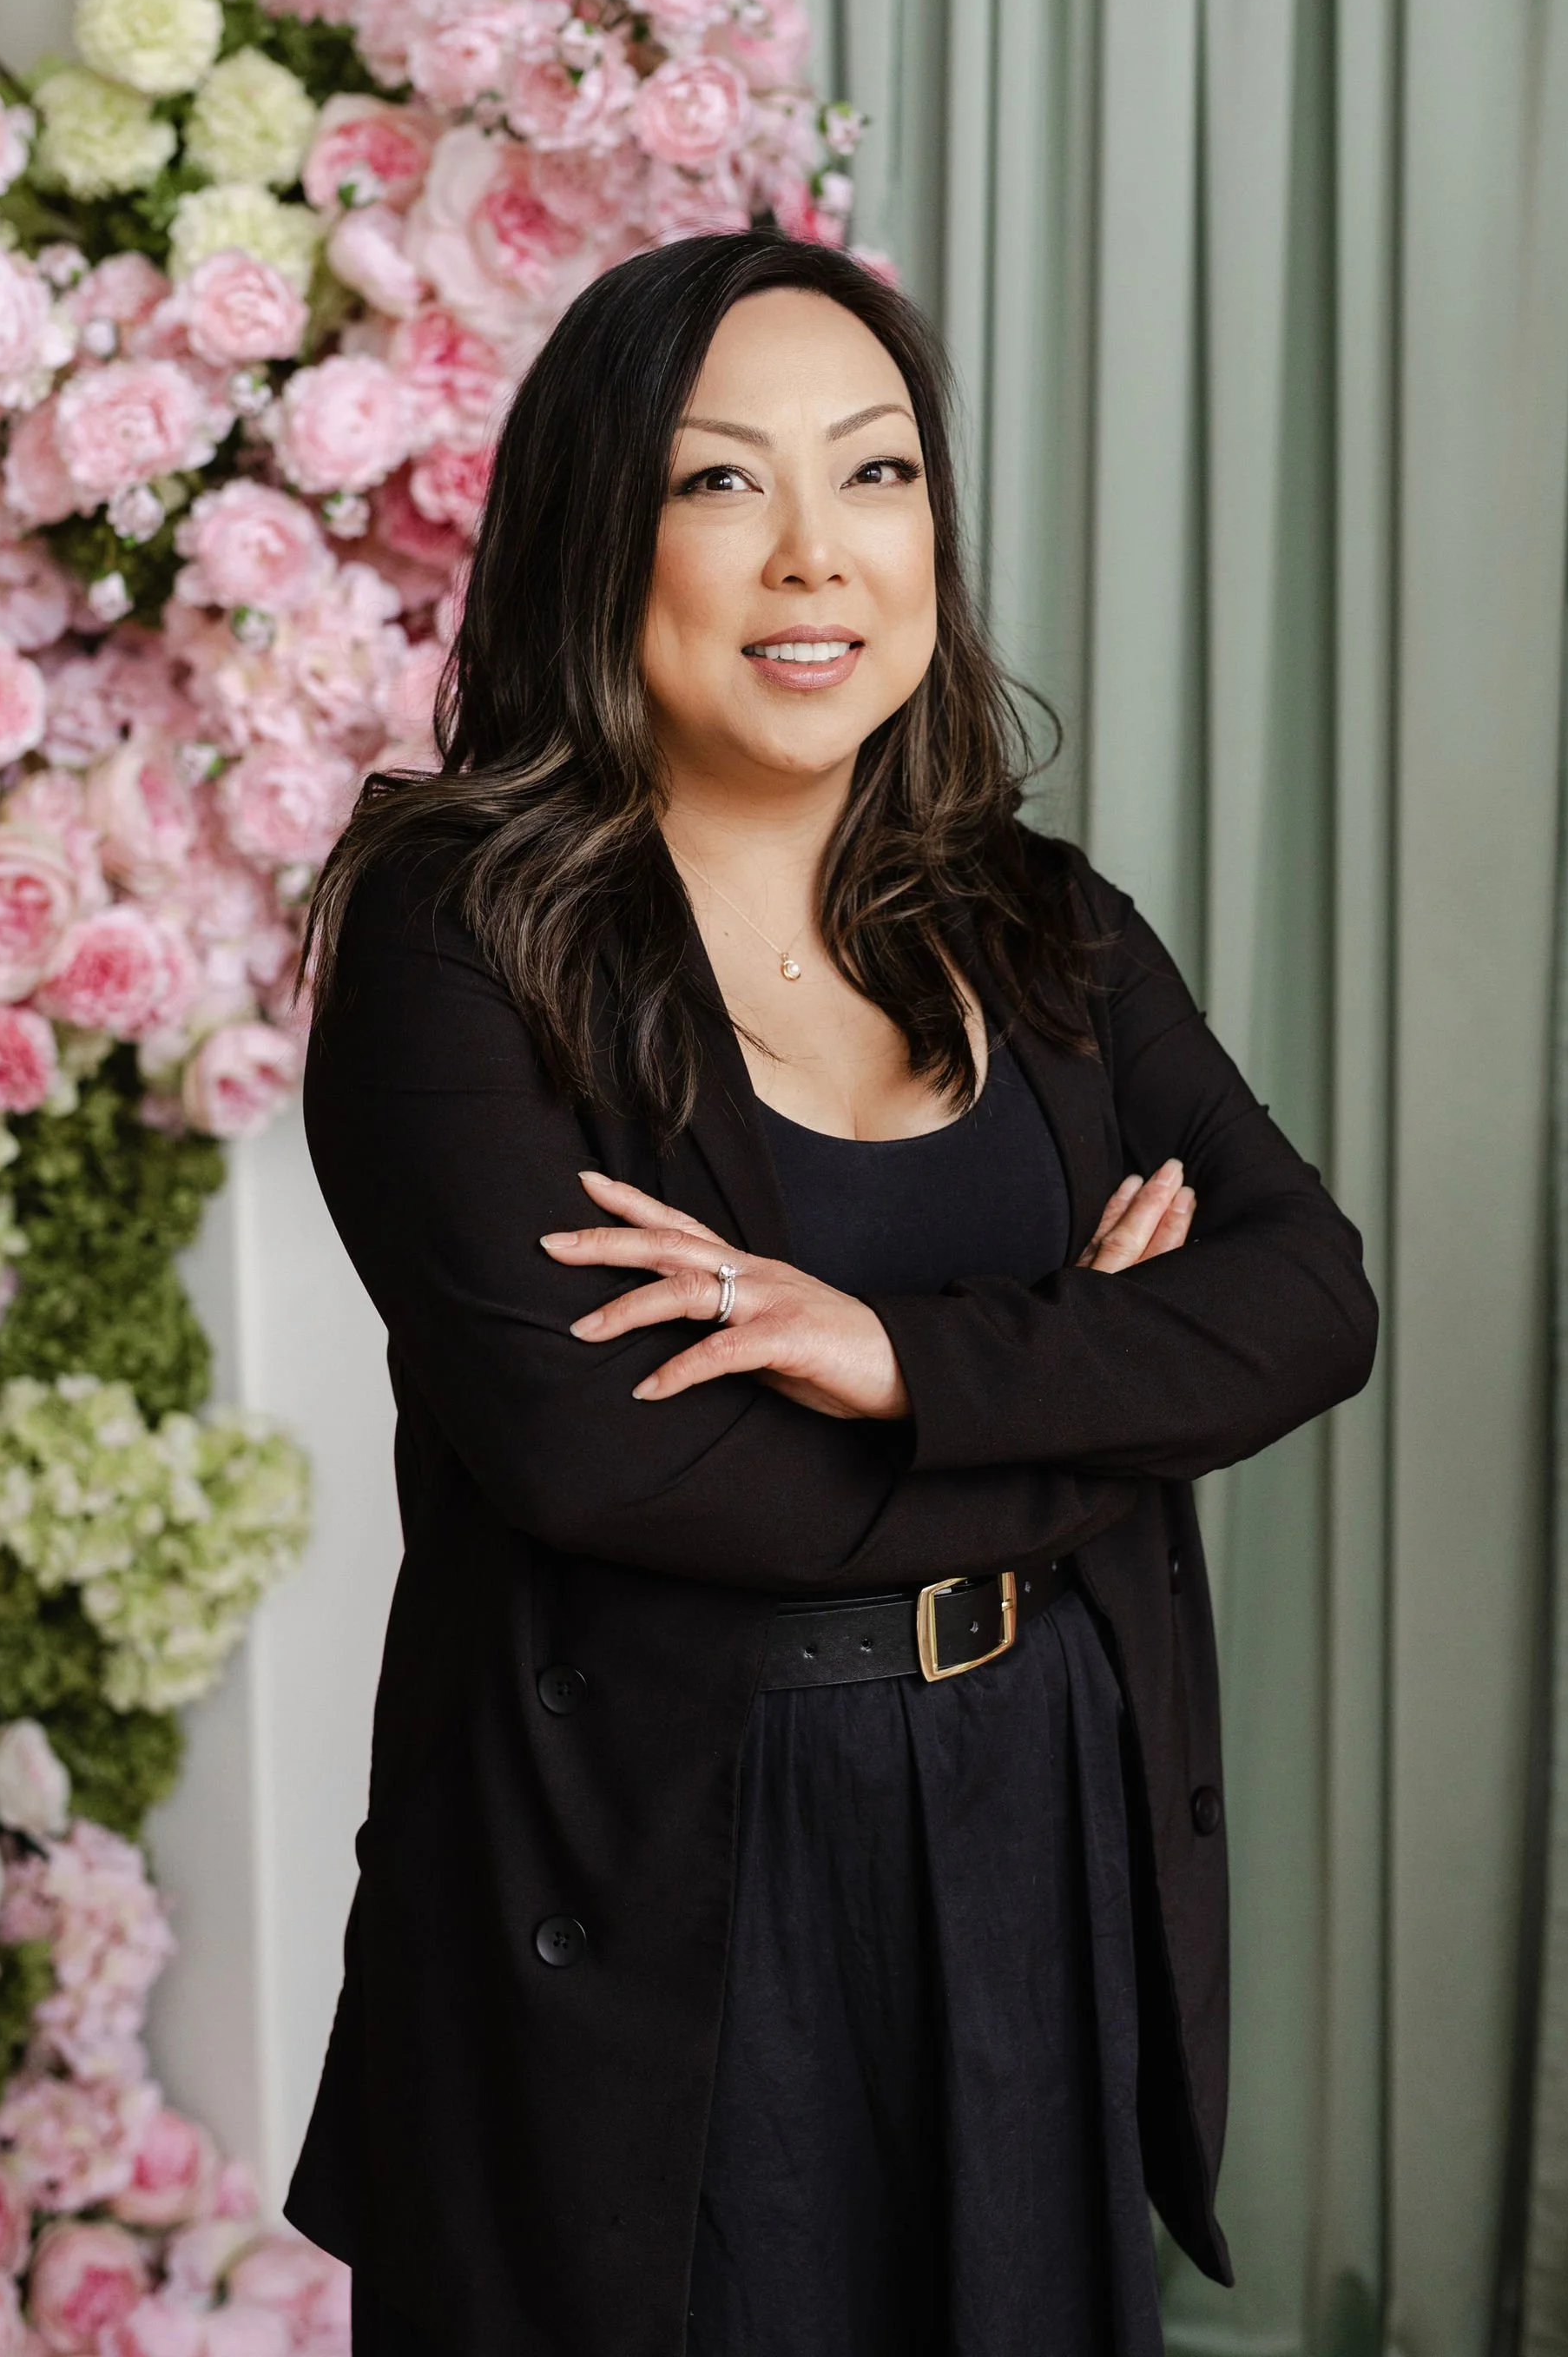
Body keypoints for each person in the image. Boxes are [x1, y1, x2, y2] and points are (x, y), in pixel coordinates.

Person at [287, 232, 1378, 2357]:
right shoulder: (456, 934)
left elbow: (1307, 1301)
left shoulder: (1040, 924)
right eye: (720, 485)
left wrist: (894, 1360)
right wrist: (1095, 1399)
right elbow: (615, 1461)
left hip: (1035, 1821)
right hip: (668, 1884)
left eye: (875, 477)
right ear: (600, 528)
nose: (815, 557)